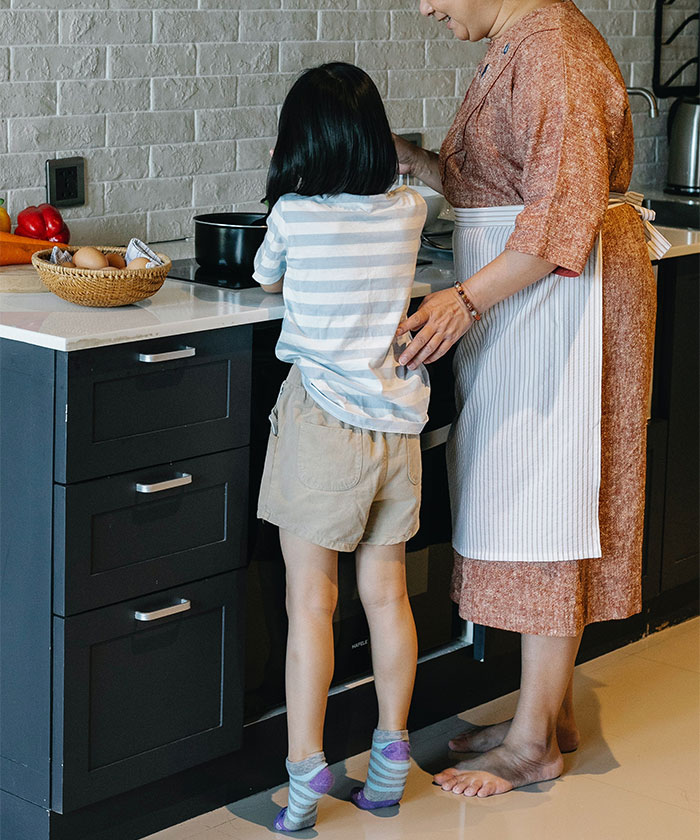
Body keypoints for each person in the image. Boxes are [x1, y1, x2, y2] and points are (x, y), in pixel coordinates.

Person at [393, 0, 668, 798]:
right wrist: (414, 159)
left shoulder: (553, 50)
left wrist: (463, 301)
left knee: (550, 500)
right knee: (531, 496)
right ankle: (545, 717)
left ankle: (532, 746)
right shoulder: (521, 42)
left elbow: (559, 220)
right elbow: (503, 187)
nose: (427, 7)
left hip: (564, 307)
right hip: (534, 305)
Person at [252, 62, 429, 832]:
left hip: (322, 424)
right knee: (387, 597)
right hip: (396, 428)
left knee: (309, 604)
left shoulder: (292, 214)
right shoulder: (409, 210)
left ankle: (302, 776)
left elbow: (265, 280)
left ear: (302, 140)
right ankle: (389, 767)